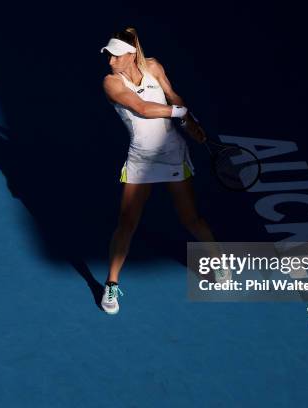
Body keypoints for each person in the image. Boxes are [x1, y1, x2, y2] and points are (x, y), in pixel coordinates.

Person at [99, 27, 230, 315]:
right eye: (109, 55)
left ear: (132, 54)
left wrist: (190, 122)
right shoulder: (112, 83)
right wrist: (179, 114)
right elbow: (143, 108)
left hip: (172, 155)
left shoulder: (155, 67)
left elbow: (172, 96)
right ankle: (111, 284)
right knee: (127, 222)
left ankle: (219, 263)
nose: (110, 61)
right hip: (141, 160)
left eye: (116, 56)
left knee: (191, 218)